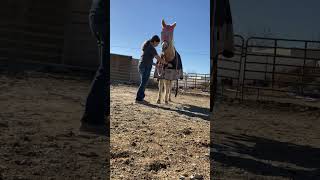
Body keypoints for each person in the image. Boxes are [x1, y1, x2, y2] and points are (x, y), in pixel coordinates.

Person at [80, 0, 109, 136]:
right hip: (103, 18)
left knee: (105, 70)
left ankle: (100, 115)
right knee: (105, 70)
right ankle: (91, 120)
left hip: (99, 16)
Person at [136, 35, 165, 102]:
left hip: (143, 65)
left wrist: (156, 65)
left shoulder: (147, 46)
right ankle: (138, 98)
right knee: (144, 83)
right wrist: (166, 63)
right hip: (145, 67)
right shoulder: (151, 48)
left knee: (144, 82)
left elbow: (148, 60)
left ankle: (141, 97)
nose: (157, 45)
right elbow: (158, 58)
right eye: (157, 44)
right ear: (154, 41)